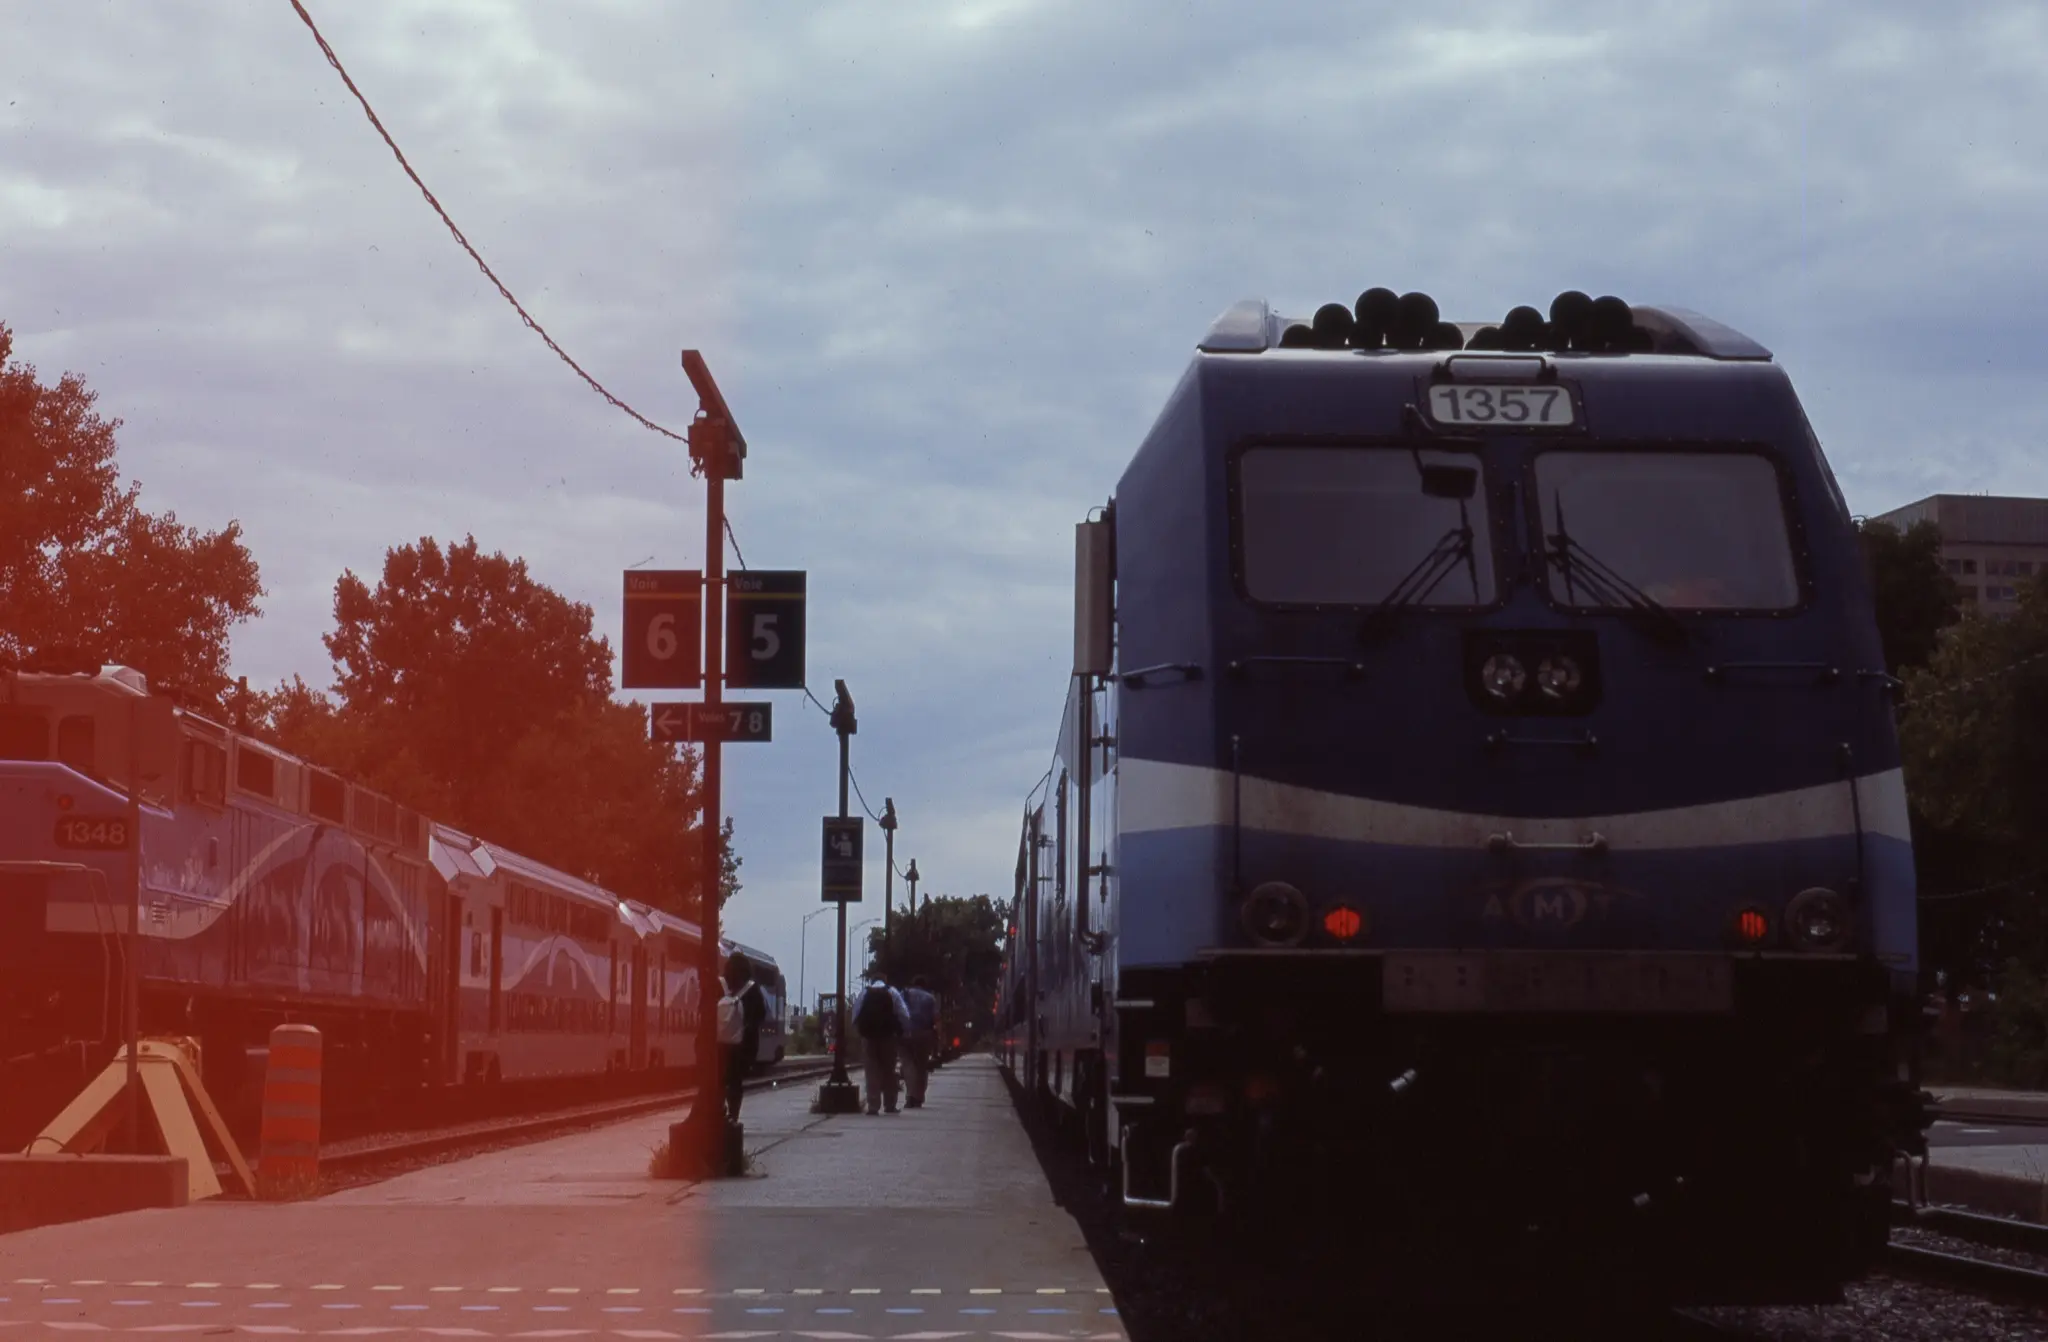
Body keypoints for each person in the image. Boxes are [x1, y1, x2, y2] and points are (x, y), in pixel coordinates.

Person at [849, 970, 909, 1114]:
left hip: (869, 1037)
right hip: (888, 1037)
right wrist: (903, 1032)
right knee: (889, 1070)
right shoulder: (892, 992)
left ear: (872, 981)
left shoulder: (864, 993)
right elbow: (904, 1014)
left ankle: (873, 1106)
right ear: (885, 980)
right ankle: (890, 1105)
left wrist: (860, 1032)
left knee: (871, 1071)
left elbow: (855, 1015)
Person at [720, 952, 767, 1124]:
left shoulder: (720, 985)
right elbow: (761, 1014)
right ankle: (733, 1115)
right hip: (742, 1045)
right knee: (735, 1081)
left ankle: (719, 1111)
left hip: (720, 1044)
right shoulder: (752, 989)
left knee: (719, 1080)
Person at [900, 975, 940, 1109]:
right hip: (924, 1034)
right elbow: (936, 1018)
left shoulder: (904, 994)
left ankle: (910, 1096)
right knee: (922, 1067)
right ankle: (918, 1097)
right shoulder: (930, 998)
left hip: (905, 1033)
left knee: (908, 1065)